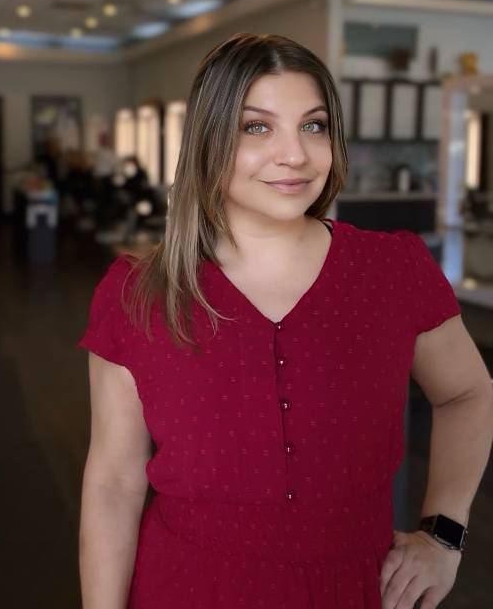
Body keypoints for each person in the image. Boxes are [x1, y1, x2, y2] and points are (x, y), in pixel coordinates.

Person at [76, 33, 493, 609]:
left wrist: (444, 535)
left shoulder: (393, 269)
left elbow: (468, 393)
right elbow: (114, 482)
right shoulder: (138, 292)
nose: (294, 154)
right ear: (208, 139)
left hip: (356, 588)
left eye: (314, 125)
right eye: (257, 127)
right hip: (188, 586)